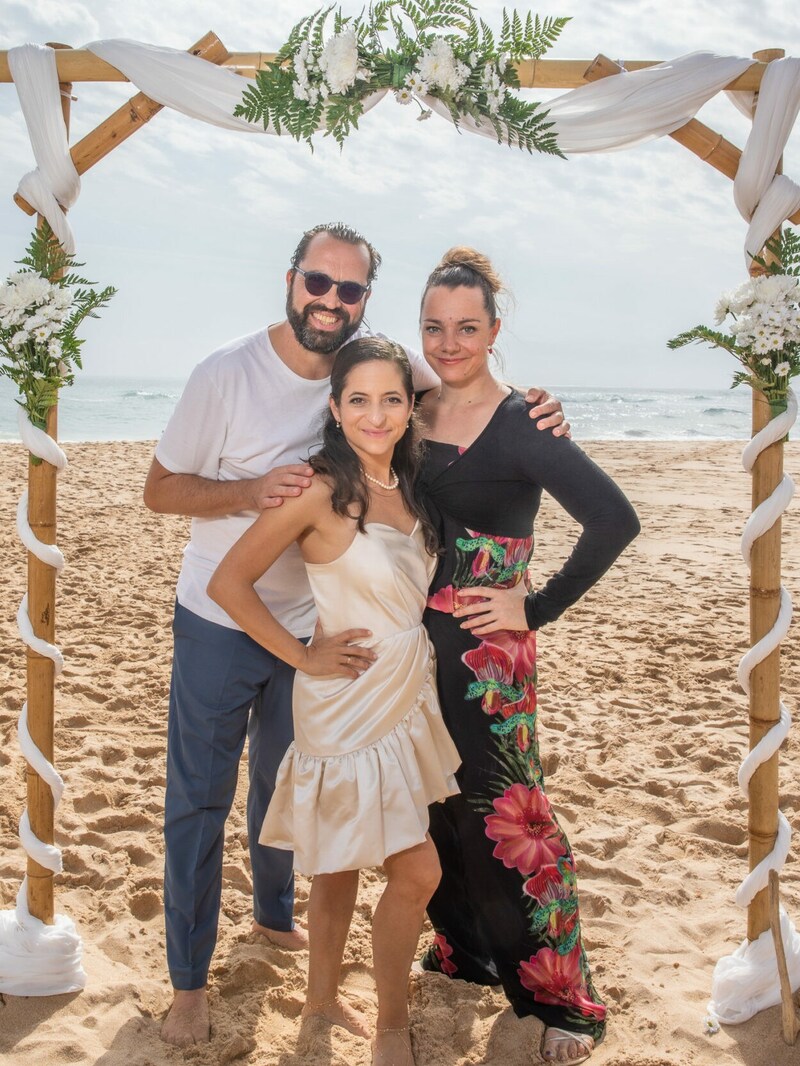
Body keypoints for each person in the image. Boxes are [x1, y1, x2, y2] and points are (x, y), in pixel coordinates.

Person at [143, 221, 567, 1046]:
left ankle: (283, 939)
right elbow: (161, 492)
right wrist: (251, 492)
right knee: (201, 800)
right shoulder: (227, 375)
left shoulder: (384, 381)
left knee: (295, 809)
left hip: (341, 639)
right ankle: (190, 985)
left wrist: (533, 405)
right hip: (225, 623)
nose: (330, 300)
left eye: (349, 289)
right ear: (292, 279)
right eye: (318, 282)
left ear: (366, 299)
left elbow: (458, 383)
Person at [412, 248, 640, 1066]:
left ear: (494, 330)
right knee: (437, 809)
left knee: (509, 819)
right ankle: (466, 950)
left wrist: (532, 607)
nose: (449, 342)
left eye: (467, 327)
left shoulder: (521, 423)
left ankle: (561, 997)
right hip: (414, 653)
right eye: (435, 327)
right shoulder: (415, 404)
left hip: (488, 660)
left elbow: (614, 521)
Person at [208, 337, 458, 1066]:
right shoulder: (319, 490)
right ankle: (389, 1028)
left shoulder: (412, 482)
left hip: (406, 694)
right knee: (417, 872)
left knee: (342, 863)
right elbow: (229, 582)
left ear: (411, 407)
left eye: (390, 398)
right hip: (343, 696)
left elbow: (465, 394)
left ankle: (319, 998)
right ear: (334, 407)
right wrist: (302, 656)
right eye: (358, 399)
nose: (375, 415)